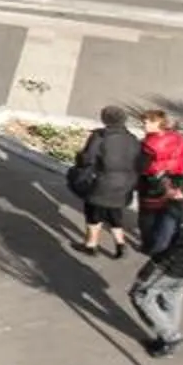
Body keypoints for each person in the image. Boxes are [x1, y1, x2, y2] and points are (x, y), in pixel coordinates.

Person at [129, 170, 183, 358]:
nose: (163, 188)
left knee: (140, 294)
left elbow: (162, 241)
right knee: (173, 297)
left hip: (168, 264)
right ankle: (165, 341)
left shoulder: (172, 211)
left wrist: (152, 250)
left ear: (176, 190)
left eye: (167, 186)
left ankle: (171, 336)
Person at [68, 107, 142, 257]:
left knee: (93, 213)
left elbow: (87, 159)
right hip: (126, 184)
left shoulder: (100, 137)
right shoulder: (133, 139)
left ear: (104, 120)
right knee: (114, 211)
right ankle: (120, 244)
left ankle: (91, 245)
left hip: (103, 182)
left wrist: (79, 162)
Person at [135, 108, 183, 248]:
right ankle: (165, 241)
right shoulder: (178, 138)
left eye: (147, 122)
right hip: (176, 180)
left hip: (153, 183)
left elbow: (141, 166)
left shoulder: (150, 145)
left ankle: (148, 244)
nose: (144, 125)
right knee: (166, 213)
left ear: (158, 123)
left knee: (147, 216)